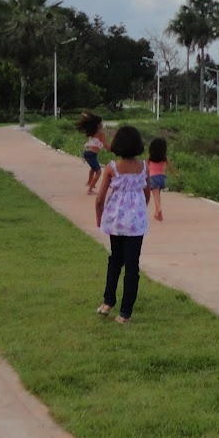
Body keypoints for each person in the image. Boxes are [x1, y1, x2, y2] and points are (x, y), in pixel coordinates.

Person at [94, 124, 149, 325]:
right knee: (132, 266)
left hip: (116, 222)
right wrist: (140, 211)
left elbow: (100, 199)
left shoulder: (112, 168)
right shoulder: (144, 167)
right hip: (136, 224)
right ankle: (125, 312)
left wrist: (99, 217)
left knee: (115, 260)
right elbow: (147, 193)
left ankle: (108, 302)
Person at [77, 112, 107, 194]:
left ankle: (89, 182)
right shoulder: (100, 133)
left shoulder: (93, 132)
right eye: (102, 122)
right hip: (91, 154)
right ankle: (90, 190)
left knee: (93, 168)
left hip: (87, 153)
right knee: (98, 172)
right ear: (98, 124)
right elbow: (105, 145)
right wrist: (113, 149)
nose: (103, 124)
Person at [144, 136, 169, 221]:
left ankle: (159, 208)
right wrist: (176, 174)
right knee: (158, 195)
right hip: (161, 177)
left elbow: (146, 166)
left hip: (153, 177)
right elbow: (170, 167)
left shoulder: (150, 157)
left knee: (155, 195)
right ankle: (156, 212)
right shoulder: (164, 158)